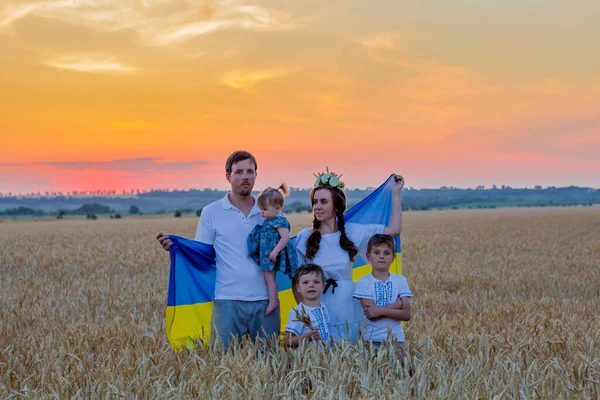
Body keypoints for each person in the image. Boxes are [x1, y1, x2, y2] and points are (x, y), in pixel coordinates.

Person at [156, 150, 279, 348]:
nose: (245, 176)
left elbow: (284, 249)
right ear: (228, 176)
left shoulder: (269, 211)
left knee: (270, 361)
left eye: (250, 171)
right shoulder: (211, 212)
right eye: (239, 172)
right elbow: (201, 255)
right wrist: (177, 248)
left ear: (256, 174)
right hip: (227, 301)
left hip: (266, 300)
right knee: (225, 362)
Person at [294, 169, 404, 342]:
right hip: (319, 304)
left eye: (324, 202)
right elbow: (296, 281)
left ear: (336, 206)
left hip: (348, 305)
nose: (317, 207)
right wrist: (306, 316)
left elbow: (393, 231)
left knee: (351, 351)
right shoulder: (305, 237)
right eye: (315, 202)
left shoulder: (351, 231)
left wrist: (395, 194)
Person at [353, 234, 412, 352]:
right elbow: (371, 315)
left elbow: (406, 315)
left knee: (397, 370)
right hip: (370, 340)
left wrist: (380, 310)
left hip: (396, 340)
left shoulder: (400, 280)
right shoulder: (363, 282)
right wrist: (397, 305)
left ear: (393, 257)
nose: (381, 256)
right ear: (368, 256)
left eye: (386, 253)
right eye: (376, 252)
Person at [247, 184, 298, 316]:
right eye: (260, 209)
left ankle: (273, 301)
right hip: (268, 254)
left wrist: (275, 251)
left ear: (277, 208)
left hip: (273, 254)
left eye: (264, 209)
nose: (261, 212)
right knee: (267, 277)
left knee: (269, 278)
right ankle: (272, 300)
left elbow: (285, 238)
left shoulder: (280, 221)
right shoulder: (271, 219)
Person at [284, 263, 331, 348]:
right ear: (298, 288)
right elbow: (288, 341)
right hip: (309, 358)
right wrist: (307, 337)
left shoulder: (324, 307)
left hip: (326, 357)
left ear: (322, 286)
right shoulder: (298, 312)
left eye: (316, 282)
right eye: (305, 282)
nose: (311, 285)